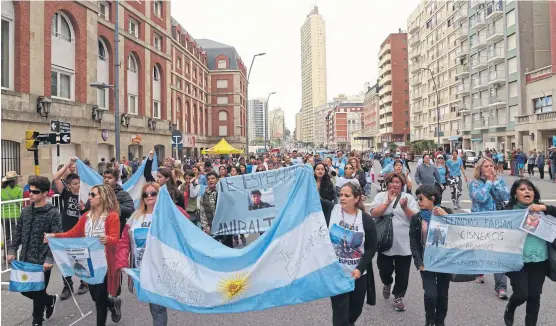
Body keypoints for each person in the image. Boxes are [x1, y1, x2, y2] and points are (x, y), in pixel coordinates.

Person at [46, 184, 122, 325]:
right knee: (95, 296)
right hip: (88, 263)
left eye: (93, 195)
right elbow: (73, 233)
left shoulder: (112, 216)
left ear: (103, 197)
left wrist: (107, 239)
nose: (90, 198)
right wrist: (54, 236)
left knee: (99, 300)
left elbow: (115, 238)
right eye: (89, 194)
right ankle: (111, 303)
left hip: (104, 263)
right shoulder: (86, 216)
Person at [7, 176, 62, 326]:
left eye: (35, 192)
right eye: (29, 191)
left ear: (45, 193)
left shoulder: (53, 213)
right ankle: (50, 300)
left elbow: (56, 238)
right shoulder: (26, 211)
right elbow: (18, 232)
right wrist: (12, 249)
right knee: (24, 289)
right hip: (26, 258)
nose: (30, 194)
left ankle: (37, 321)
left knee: (38, 291)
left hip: (42, 260)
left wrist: (49, 259)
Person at [321, 182, 377, 326]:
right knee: (340, 316)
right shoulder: (332, 210)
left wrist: (360, 269)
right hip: (336, 275)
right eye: (340, 195)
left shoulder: (365, 219)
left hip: (357, 275)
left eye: (347, 195)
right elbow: (312, 199)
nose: (342, 198)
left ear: (357, 198)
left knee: (355, 312)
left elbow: (371, 247)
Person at [502, 179, 556, 326]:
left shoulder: (543, 210)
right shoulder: (508, 213)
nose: (527, 191)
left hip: (540, 260)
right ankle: (510, 307)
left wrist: (544, 207)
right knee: (521, 294)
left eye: (530, 189)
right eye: (522, 189)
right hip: (517, 261)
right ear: (515, 194)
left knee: (534, 296)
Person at [116, 182, 168, 326]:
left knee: (158, 307)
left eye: (153, 193)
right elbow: (124, 241)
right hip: (143, 270)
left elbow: (184, 223)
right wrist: (121, 262)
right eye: (146, 194)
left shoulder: (167, 213)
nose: (149, 196)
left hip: (162, 268)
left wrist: (170, 208)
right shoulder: (136, 216)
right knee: (155, 306)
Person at [370, 172, 418, 311]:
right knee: (384, 270)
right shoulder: (380, 196)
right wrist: (387, 202)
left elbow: (415, 219)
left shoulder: (408, 197)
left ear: (402, 185)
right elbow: (373, 213)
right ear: (387, 184)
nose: (395, 184)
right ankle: (387, 283)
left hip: (404, 244)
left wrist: (405, 208)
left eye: (398, 182)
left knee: (403, 274)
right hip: (384, 242)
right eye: (392, 182)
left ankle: (398, 296)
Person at [409, 185, 453, 326]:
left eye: (421, 198)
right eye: (417, 199)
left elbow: (459, 231)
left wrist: (446, 217)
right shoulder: (417, 218)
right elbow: (414, 242)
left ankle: (440, 321)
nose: (419, 202)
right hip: (426, 261)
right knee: (430, 294)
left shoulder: (446, 212)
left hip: (443, 260)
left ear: (432, 198)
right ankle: (429, 320)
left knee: (442, 294)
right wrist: (418, 261)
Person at [467, 157, 509, 299]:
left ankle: (501, 287)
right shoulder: (474, 183)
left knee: (498, 253)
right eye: (486, 166)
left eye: (492, 165)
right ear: (480, 169)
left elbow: (505, 195)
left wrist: (495, 183)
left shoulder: (499, 180)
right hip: (480, 222)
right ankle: (480, 270)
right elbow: (480, 198)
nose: (490, 168)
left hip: (497, 222)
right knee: (481, 250)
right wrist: (489, 183)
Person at [53, 158, 89, 299]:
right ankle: (67, 286)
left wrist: (84, 208)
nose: (78, 186)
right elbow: (56, 177)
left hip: (81, 232)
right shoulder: (65, 194)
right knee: (65, 259)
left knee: (81, 257)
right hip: (67, 230)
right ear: (68, 185)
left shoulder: (86, 195)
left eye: (79, 183)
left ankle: (84, 282)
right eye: (74, 184)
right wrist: (68, 164)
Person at [1, 171, 23, 251]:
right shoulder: (19, 190)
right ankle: (13, 255)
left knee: (6, 236)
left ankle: (6, 255)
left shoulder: (1, 190)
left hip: (3, 216)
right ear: (15, 180)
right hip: (15, 215)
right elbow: (21, 203)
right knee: (14, 236)